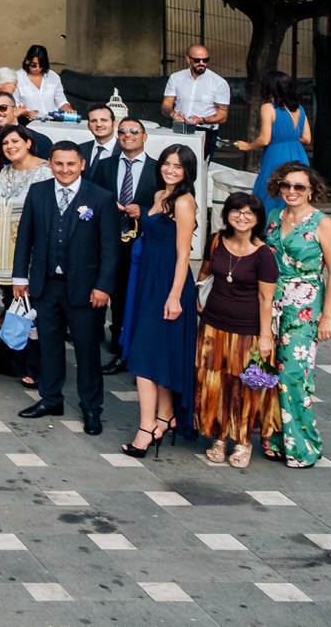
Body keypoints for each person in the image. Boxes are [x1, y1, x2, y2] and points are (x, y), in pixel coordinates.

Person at [11, 142, 119, 433]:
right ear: (49, 164)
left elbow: (110, 249)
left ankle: (91, 408)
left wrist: (103, 287)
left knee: (87, 351)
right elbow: (25, 237)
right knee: (48, 345)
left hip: (85, 289)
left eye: (71, 164)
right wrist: (20, 277)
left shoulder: (101, 198)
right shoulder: (39, 192)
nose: (65, 170)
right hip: (46, 285)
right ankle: (50, 397)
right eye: (59, 164)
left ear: (82, 164)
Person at [118, 144, 200, 456]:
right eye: (166, 163)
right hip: (148, 277)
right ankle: (165, 417)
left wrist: (176, 296)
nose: (169, 169)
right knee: (159, 352)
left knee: (144, 356)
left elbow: (184, 254)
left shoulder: (183, 202)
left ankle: (146, 428)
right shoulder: (158, 197)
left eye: (177, 166)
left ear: (187, 171)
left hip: (169, 281)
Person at [262, 164, 331, 467]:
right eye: (286, 185)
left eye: (299, 186)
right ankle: (275, 438)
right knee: (270, 371)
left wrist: (328, 317)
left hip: (305, 306)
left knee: (295, 374)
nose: (291, 191)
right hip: (273, 303)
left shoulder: (323, 223)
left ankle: (303, 445)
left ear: (312, 190)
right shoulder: (274, 217)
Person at [194, 192, 278, 469]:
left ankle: (243, 440)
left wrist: (265, 338)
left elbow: (267, 299)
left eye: (248, 214)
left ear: (257, 220)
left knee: (245, 387)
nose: (241, 217)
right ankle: (219, 436)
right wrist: (197, 296)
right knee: (215, 383)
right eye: (236, 211)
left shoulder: (264, 254)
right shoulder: (217, 240)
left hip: (248, 331)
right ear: (227, 213)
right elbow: (205, 271)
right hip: (213, 326)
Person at [91, 118, 159, 374]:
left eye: (133, 131)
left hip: (143, 244)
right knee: (117, 298)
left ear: (144, 136)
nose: (127, 135)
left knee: (138, 297)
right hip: (110, 242)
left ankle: (137, 349)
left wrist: (141, 210)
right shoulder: (106, 166)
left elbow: (165, 205)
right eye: (122, 132)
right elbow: (93, 198)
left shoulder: (157, 169)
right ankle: (119, 348)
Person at [0, 124, 50, 385]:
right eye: (5, 144)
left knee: (34, 311)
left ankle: (36, 367)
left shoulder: (45, 171)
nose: (10, 147)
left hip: (31, 253)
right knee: (14, 308)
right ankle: (14, 361)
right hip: (4, 254)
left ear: (28, 142)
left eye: (15, 141)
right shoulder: (5, 171)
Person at [235, 68, 311, 210]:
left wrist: (248, 146)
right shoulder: (299, 108)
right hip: (299, 155)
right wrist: (289, 137)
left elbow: (265, 139)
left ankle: (267, 229)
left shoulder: (268, 108)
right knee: (295, 195)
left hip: (276, 155)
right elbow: (307, 139)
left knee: (270, 193)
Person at [160, 44, 230, 152]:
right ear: (188, 59)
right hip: (180, 128)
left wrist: (201, 120)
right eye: (197, 60)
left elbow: (222, 115)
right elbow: (166, 106)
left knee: (200, 166)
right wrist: (173, 113)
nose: (201, 63)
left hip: (206, 131)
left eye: (205, 60)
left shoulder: (219, 82)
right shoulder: (176, 78)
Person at [13, 45, 72, 119]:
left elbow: (61, 100)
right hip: (28, 122)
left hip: (52, 120)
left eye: (41, 66)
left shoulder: (53, 76)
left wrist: (69, 111)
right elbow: (15, 105)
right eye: (34, 65)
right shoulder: (17, 78)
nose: (38, 69)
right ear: (27, 61)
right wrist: (26, 113)